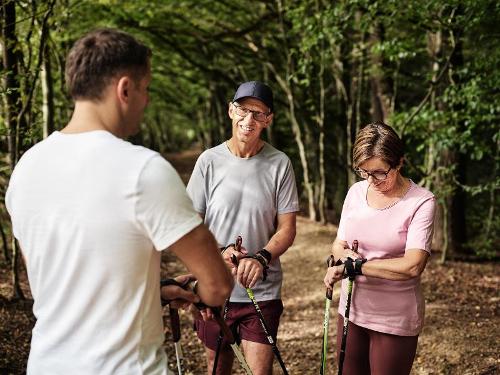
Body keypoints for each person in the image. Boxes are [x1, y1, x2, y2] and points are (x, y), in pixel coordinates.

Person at [5, 28, 233, 375]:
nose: (148, 100)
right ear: (124, 89)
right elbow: (217, 286)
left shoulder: (25, 169)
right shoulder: (143, 170)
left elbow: (51, 286)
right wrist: (198, 291)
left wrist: (156, 290)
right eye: (146, 89)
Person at [186, 81, 299, 374]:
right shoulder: (208, 161)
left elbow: (287, 228)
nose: (249, 120)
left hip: (262, 290)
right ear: (230, 111)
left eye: (258, 114)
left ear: (268, 120)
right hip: (215, 286)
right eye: (243, 110)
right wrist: (218, 253)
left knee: (259, 371)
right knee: (217, 365)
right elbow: (190, 227)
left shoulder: (280, 164)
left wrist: (261, 258)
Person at [323, 122, 436, 375]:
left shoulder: (421, 202)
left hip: (394, 317)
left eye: (380, 173)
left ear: (399, 163)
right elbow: (339, 244)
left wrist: (358, 266)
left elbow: (413, 266)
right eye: (364, 172)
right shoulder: (355, 193)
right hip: (351, 310)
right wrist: (342, 261)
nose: (372, 181)